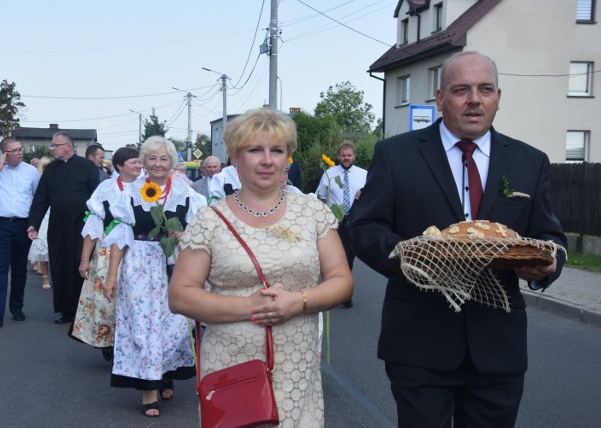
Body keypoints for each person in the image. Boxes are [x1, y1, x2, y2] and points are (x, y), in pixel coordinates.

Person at [348, 51, 567, 427]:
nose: (474, 100)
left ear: (498, 96)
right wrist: (417, 263)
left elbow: (550, 237)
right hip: (418, 342)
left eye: (484, 90)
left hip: (499, 348)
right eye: (461, 90)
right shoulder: (396, 154)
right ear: (440, 98)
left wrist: (547, 266)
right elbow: (364, 229)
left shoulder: (531, 162)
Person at [169, 107, 354, 426]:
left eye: (277, 150)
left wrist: (299, 302)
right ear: (235, 157)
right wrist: (250, 306)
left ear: (287, 158)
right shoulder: (210, 220)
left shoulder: (312, 212)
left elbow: (341, 280)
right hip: (231, 369)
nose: (267, 160)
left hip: (297, 366)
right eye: (255, 150)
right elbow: (181, 296)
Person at [103, 136, 205, 417]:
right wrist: (112, 276)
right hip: (139, 265)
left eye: (164, 159)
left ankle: (165, 372)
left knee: (174, 326)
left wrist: (184, 235)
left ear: (172, 163)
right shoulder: (129, 193)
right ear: (144, 162)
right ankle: (148, 388)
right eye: (152, 158)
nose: (158, 164)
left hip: (174, 265)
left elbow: (202, 232)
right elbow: (120, 235)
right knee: (142, 326)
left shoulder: (187, 194)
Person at [71, 147, 142, 362]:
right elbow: (93, 225)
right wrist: (84, 259)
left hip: (139, 248)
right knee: (107, 297)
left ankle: (134, 342)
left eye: (139, 162)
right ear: (119, 166)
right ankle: (108, 339)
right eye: (133, 163)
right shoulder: (106, 188)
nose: (138, 166)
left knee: (135, 298)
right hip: (108, 249)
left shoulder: (149, 187)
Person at [27, 131, 100, 325]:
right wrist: (33, 223)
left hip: (82, 226)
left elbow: (97, 198)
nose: (52, 149)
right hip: (58, 226)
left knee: (80, 265)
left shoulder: (87, 167)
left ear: (68, 146)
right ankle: (65, 310)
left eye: (55, 146)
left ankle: (82, 309)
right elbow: (41, 199)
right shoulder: (51, 169)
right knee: (59, 265)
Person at [0, 137, 40, 327]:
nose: (20, 152)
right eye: (15, 150)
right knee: (0, 268)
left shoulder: (31, 171)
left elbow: (38, 200)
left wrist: (35, 224)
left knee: (19, 270)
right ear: (4, 154)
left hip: (22, 225)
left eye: (21, 149)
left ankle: (16, 307)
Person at [316, 141, 366, 307]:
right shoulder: (329, 174)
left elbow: (373, 197)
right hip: (336, 221)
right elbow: (321, 197)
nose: (346, 158)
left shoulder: (364, 174)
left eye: (349, 155)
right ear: (338, 156)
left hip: (355, 220)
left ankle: (342, 286)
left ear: (354, 157)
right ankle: (342, 292)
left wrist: (363, 196)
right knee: (340, 256)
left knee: (349, 257)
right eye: (343, 155)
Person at [27, 156, 53, 290]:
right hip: (44, 218)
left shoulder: (57, 179)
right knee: (43, 249)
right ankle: (45, 277)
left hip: (56, 217)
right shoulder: (38, 180)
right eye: (45, 166)